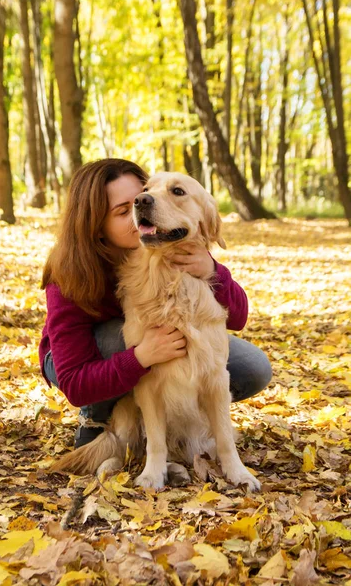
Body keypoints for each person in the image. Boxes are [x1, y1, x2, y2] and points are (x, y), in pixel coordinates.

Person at [39, 159, 272, 448]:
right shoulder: (69, 274)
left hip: (156, 344)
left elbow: (236, 318)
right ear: (95, 225)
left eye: (144, 198)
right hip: (78, 360)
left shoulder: (168, 245)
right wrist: (140, 358)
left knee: (252, 365)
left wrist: (212, 272)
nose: (144, 208)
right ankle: (97, 417)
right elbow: (74, 381)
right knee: (118, 334)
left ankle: (178, 425)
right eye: (125, 210)